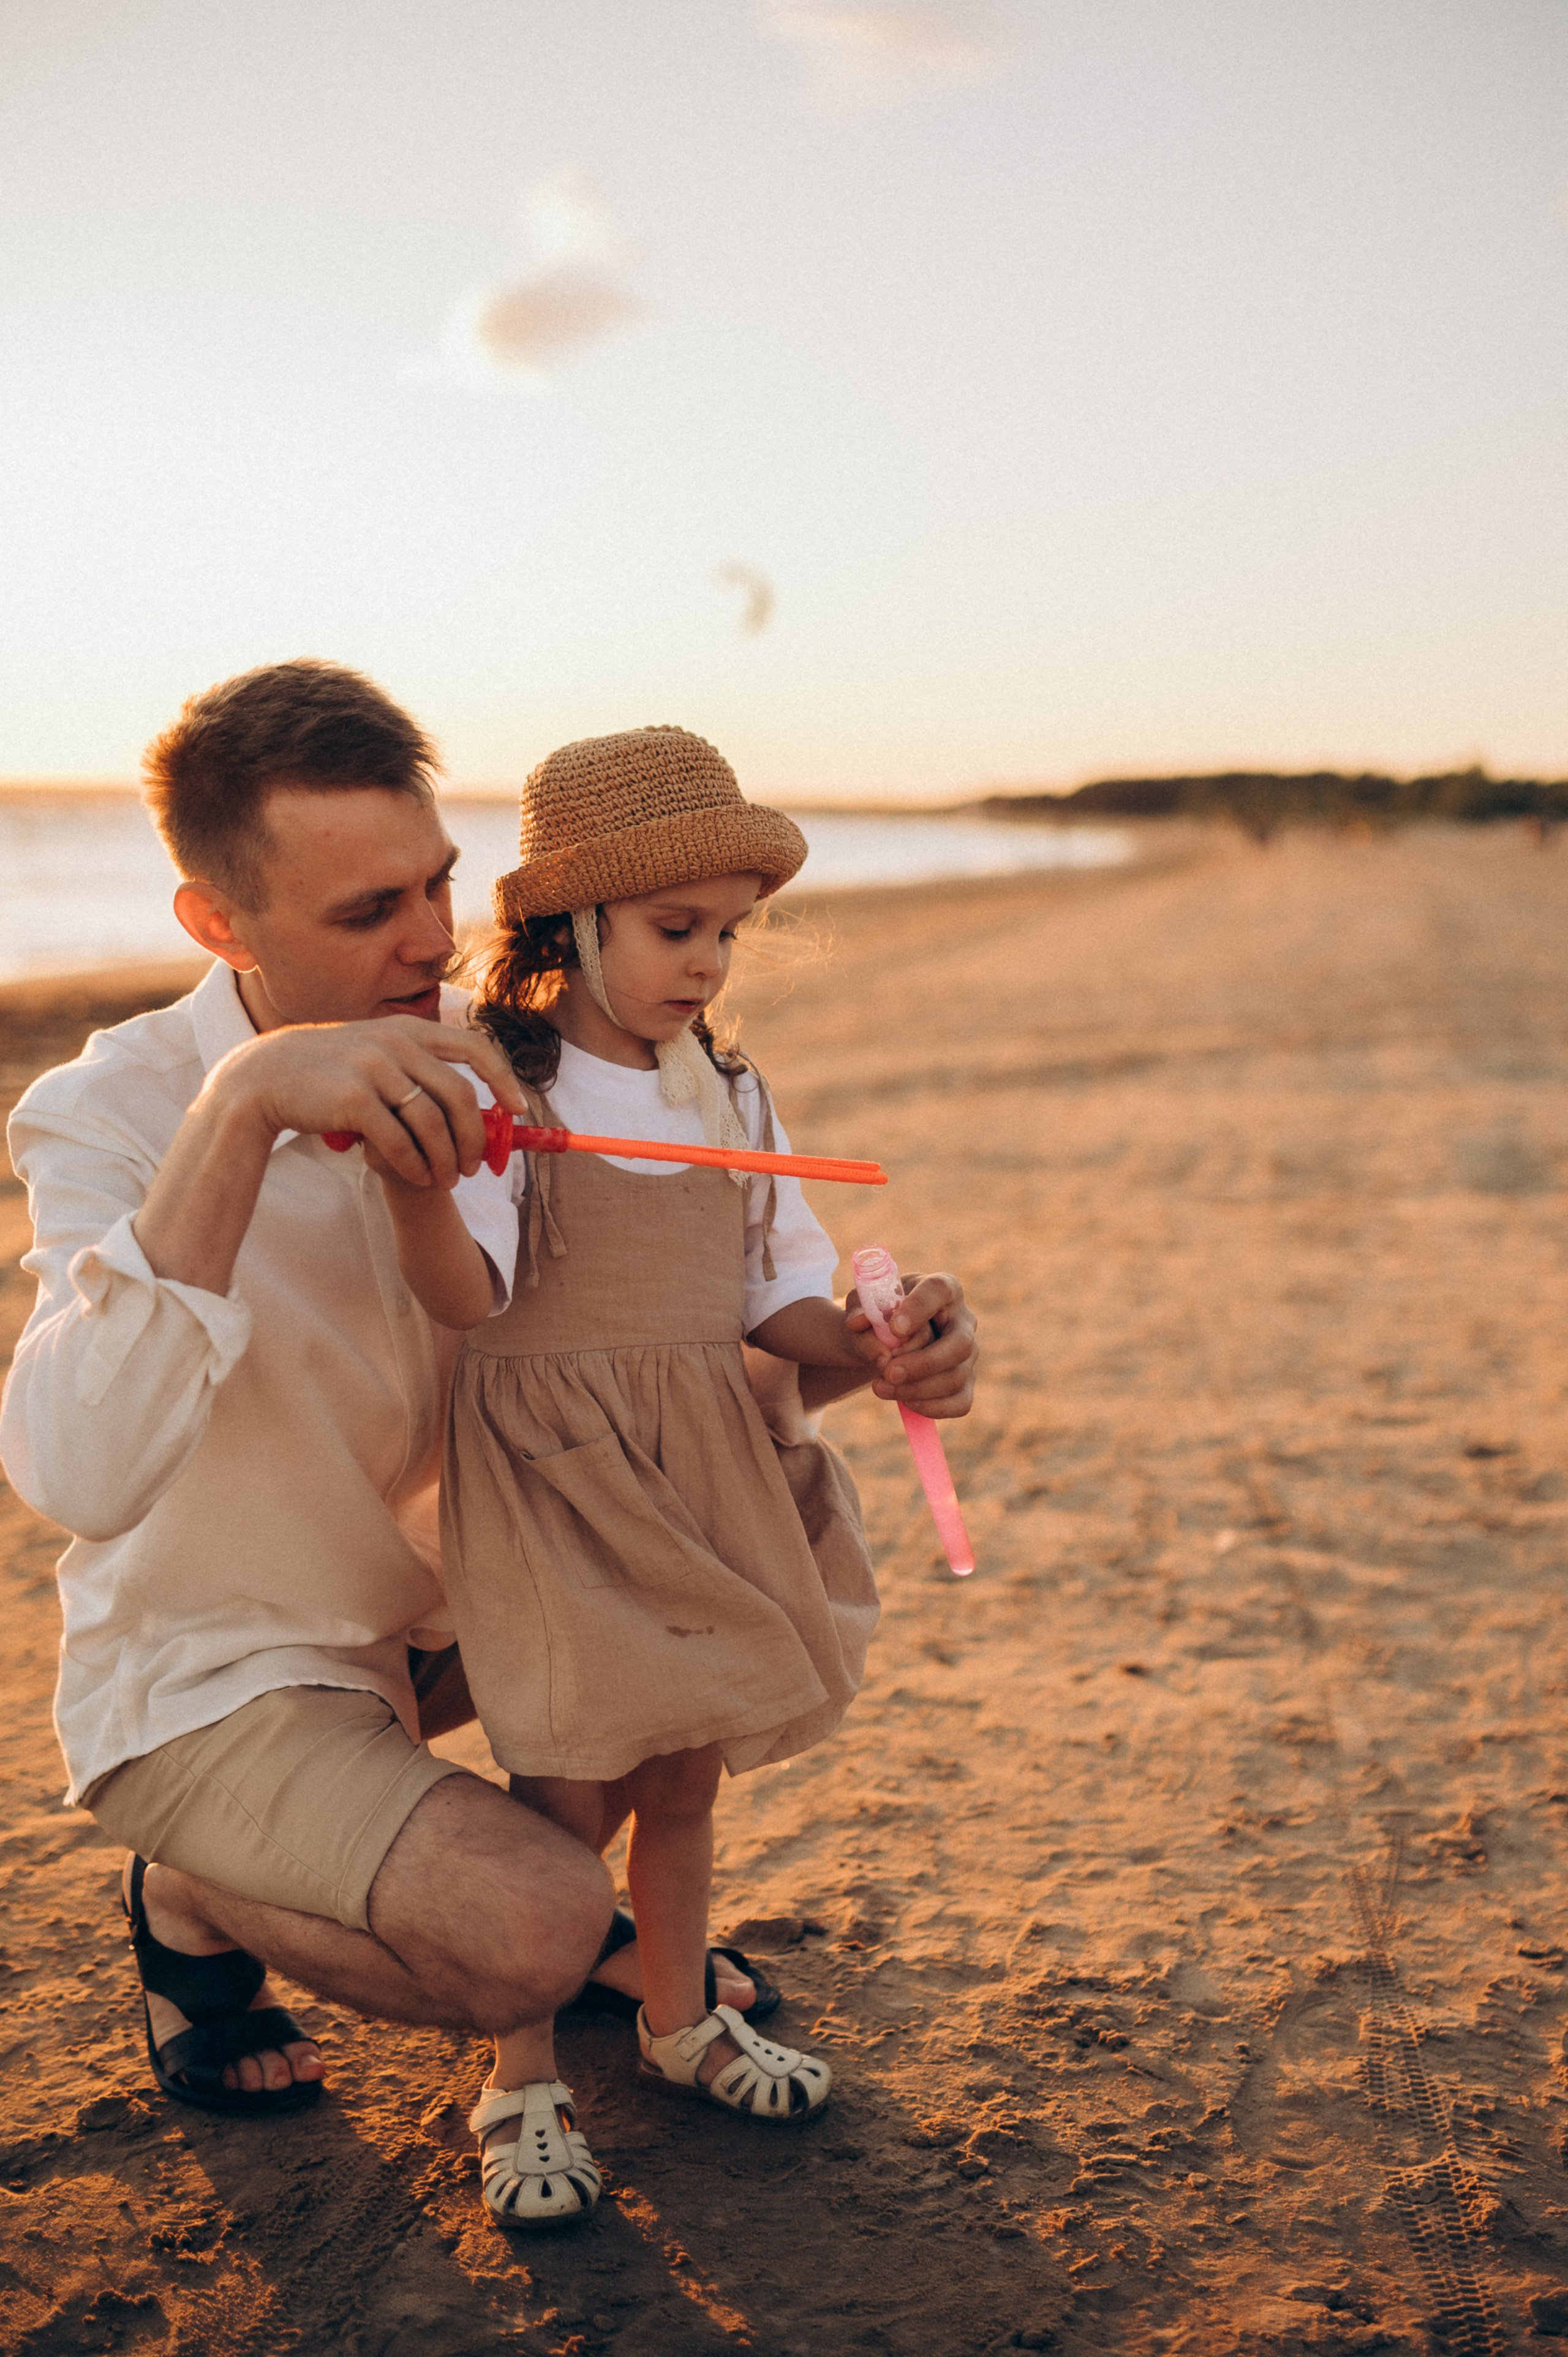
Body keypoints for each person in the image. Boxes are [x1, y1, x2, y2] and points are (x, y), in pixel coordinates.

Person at [364, 725, 979, 2228]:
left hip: (701, 1459)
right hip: (553, 1471)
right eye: (674, 928)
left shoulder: (728, 1089)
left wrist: (876, 1338)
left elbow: (774, 1293)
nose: (706, 963)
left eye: (726, 932)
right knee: (565, 1783)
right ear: (573, 923)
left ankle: (676, 2017)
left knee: (684, 1769)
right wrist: (419, 1185)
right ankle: (519, 2071)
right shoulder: (505, 1083)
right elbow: (466, 1294)